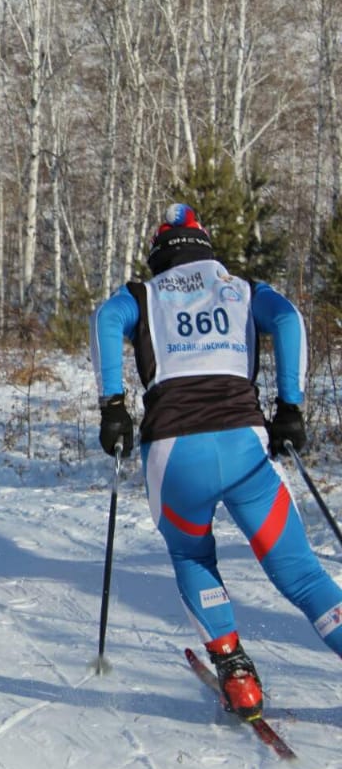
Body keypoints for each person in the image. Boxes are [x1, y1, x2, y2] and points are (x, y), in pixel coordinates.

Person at [90, 203, 342, 720]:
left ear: (159, 253)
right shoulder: (243, 288)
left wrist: (112, 406)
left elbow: (105, 319)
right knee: (302, 573)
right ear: (205, 246)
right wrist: (290, 408)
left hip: (175, 452)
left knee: (192, 557)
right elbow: (291, 319)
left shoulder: (143, 293)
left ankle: (237, 674)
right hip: (243, 445)